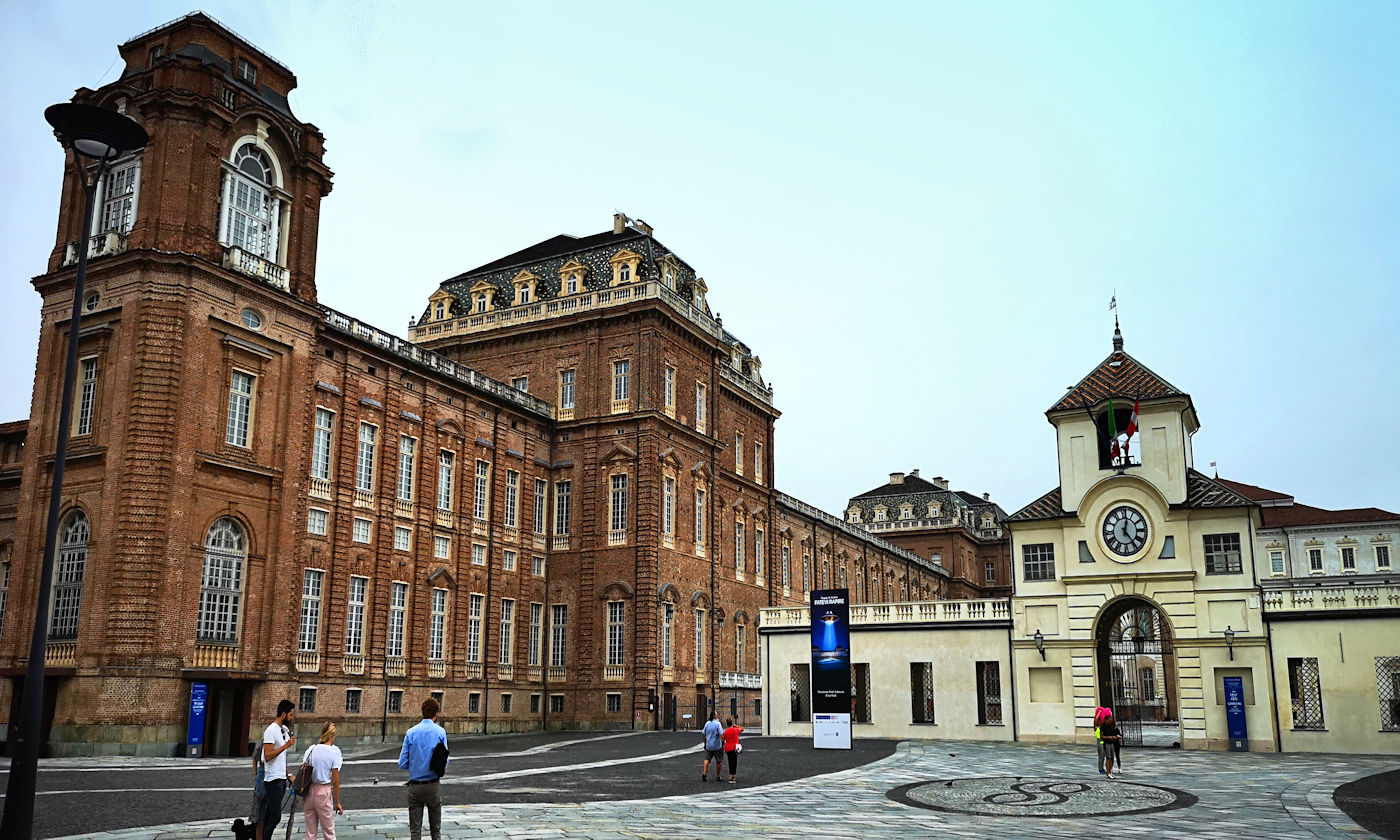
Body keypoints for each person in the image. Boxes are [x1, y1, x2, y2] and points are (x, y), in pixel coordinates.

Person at [398, 696, 447, 840]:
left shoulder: (411, 732)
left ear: (422, 712)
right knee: (436, 831)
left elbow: (402, 763)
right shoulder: (440, 732)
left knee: (415, 832)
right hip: (433, 785)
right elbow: (445, 760)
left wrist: (415, 764)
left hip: (415, 786)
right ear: (436, 713)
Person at [258, 699, 297, 840]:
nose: (292, 718)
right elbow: (267, 756)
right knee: (275, 816)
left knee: (271, 815)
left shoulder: (284, 730)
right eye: (291, 715)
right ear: (284, 713)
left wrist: (288, 774)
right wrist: (285, 746)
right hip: (272, 779)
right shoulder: (271, 730)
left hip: (281, 779)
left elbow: (281, 759)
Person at [301, 721, 345, 840]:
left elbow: (304, 773)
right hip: (323, 792)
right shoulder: (333, 753)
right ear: (332, 735)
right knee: (329, 832)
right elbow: (336, 781)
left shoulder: (311, 749)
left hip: (309, 791)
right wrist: (338, 802)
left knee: (310, 833)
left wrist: (303, 794)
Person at [701, 711, 724, 781]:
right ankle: (718, 776)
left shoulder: (707, 723)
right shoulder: (718, 724)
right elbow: (721, 735)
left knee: (707, 759)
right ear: (715, 716)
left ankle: (704, 773)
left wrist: (705, 744)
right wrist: (723, 744)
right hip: (717, 746)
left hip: (709, 745)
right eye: (717, 715)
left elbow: (704, 734)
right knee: (719, 761)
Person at [1099, 711, 1122, 779]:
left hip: (1111, 743)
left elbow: (1112, 733)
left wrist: (1115, 737)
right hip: (1106, 744)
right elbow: (1101, 736)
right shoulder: (1103, 726)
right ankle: (1108, 772)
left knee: (1111, 758)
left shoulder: (1109, 726)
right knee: (1108, 758)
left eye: (1111, 720)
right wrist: (1109, 737)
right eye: (1109, 720)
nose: (1110, 721)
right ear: (1106, 719)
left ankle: (1110, 771)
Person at [722, 716, 744, 784]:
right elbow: (742, 729)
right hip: (734, 748)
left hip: (728, 748)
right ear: (732, 723)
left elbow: (723, 739)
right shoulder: (735, 730)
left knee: (730, 761)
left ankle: (730, 776)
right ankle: (732, 776)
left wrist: (723, 746)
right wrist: (736, 725)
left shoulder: (726, 731)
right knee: (734, 762)